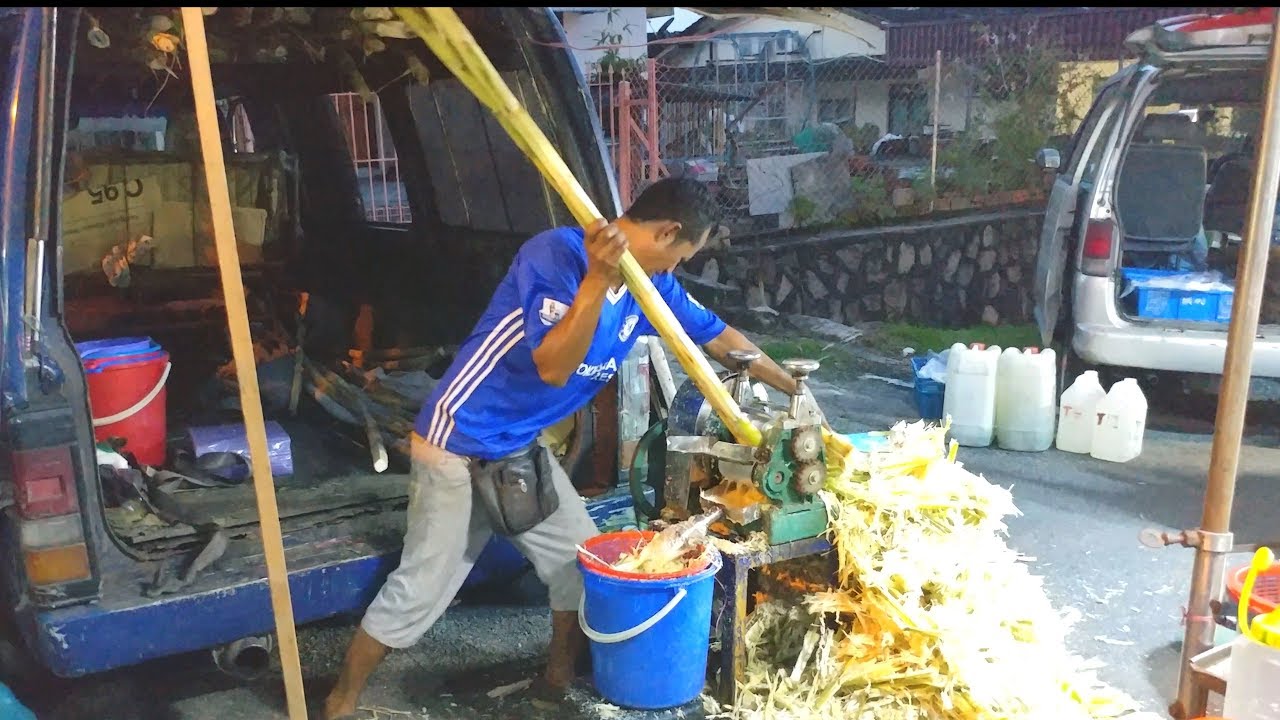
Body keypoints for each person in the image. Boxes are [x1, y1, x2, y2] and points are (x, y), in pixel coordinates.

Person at [322, 177, 805, 719]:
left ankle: (554, 683)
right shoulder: (557, 254)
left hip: (518, 447)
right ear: (668, 232)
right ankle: (339, 703)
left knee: (581, 562)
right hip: (459, 441)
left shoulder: (653, 285)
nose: (674, 271)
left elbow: (719, 336)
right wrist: (597, 281)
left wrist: (796, 389)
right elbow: (554, 368)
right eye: (680, 256)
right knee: (422, 588)